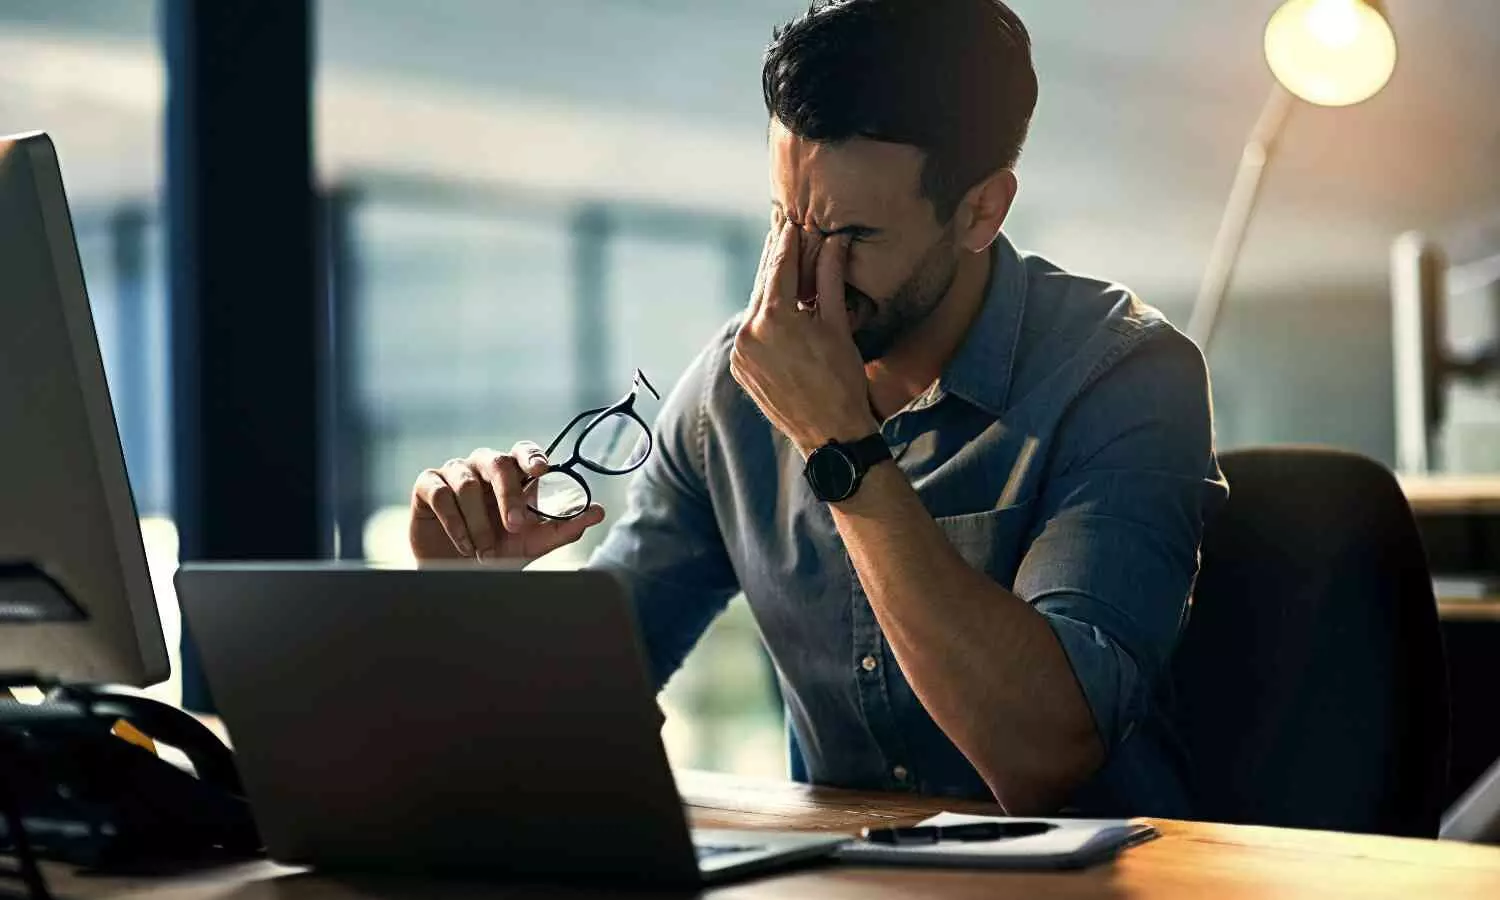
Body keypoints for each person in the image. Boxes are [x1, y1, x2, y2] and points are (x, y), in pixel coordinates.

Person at [407, 0, 1227, 817]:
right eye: (785, 220)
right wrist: (475, 595)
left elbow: (1044, 756)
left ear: (981, 210)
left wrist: (841, 447)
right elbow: (575, 720)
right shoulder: (728, 398)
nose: (802, 279)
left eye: (852, 239)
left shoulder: (1125, 377)